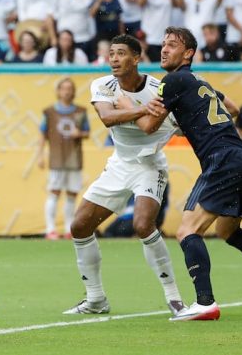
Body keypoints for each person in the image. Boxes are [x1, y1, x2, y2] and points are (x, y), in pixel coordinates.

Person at [131, 26, 242, 321]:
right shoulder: (199, 81)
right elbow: (233, 109)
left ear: (189, 53)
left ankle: (205, 302)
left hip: (222, 160)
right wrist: (192, 122)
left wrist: (122, 105)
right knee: (227, 231)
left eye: (172, 45)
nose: (164, 49)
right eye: (163, 44)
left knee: (187, 230)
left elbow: (148, 127)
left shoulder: (171, 81)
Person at [64, 35, 184, 316]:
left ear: (137, 58)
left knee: (143, 225)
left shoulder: (159, 88)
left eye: (120, 53)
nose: (114, 59)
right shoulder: (102, 85)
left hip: (149, 165)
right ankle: (95, 300)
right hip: (119, 164)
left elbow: (161, 126)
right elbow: (107, 117)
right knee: (80, 226)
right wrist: (142, 109)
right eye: (111, 54)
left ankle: (174, 298)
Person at [37, 78, 90, 239]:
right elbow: (42, 134)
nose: (67, 92)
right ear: (58, 91)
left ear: (73, 91)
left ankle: (69, 228)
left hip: (74, 158)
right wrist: (40, 155)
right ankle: (50, 229)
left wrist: (79, 134)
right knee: (54, 192)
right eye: (64, 88)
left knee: (72, 194)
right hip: (57, 158)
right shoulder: (49, 112)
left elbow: (87, 132)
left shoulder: (81, 112)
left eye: (70, 88)